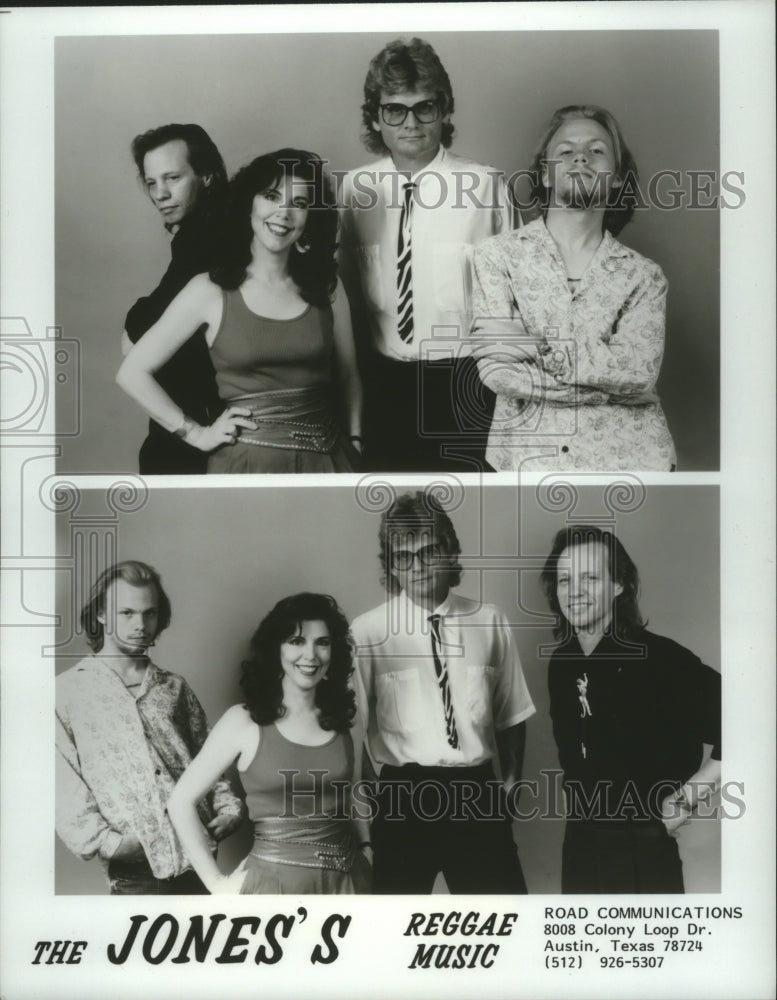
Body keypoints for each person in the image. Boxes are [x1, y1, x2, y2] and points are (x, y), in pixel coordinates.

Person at [118, 150, 362, 473]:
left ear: (310, 217)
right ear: (249, 203)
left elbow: (348, 375)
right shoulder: (208, 290)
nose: (283, 213)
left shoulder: (327, 287)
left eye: (300, 204)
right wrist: (195, 433)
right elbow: (131, 373)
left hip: (332, 460)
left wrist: (357, 442)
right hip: (246, 464)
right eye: (272, 196)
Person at [339, 37, 515, 472]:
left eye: (424, 107)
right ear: (376, 117)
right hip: (384, 384)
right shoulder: (355, 191)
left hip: (466, 383)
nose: (410, 123)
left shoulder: (486, 186)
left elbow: (517, 299)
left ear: (445, 109)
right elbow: (345, 298)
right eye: (394, 109)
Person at [471, 104, 677, 471]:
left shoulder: (645, 277)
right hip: (528, 460)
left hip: (631, 459)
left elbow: (640, 372)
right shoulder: (495, 257)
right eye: (565, 151)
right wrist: (612, 388)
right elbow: (500, 373)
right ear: (545, 175)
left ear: (616, 177)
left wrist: (534, 344)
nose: (580, 157)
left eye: (597, 150)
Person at [350, 491, 535, 893]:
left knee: (508, 929)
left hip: (477, 793)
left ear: (450, 553)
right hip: (403, 795)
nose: (417, 567)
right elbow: (351, 731)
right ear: (390, 565)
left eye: (429, 551)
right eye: (403, 556)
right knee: (393, 934)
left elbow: (513, 713)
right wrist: (375, 797)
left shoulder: (490, 621)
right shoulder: (366, 633)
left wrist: (511, 783)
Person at [540, 524, 721, 893]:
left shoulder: (660, 657)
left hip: (643, 845)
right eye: (564, 580)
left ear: (618, 585)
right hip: (579, 842)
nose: (574, 591)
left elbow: (753, 720)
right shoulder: (562, 662)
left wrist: (687, 800)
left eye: (590, 577)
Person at [55, 561, 242, 894]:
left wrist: (228, 810)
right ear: (100, 615)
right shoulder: (68, 693)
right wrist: (111, 844)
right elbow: (60, 779)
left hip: (198, 858)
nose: (140, 625)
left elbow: (208, 756)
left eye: (149, 613)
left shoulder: (174, 688)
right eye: (126, 613)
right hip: (134, 872)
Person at [167, 593, 372, 894]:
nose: (311, 655)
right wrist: (217, 885)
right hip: (273, 888)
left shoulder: (346, 718)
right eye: (296, 641)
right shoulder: (243, 721)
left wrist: (367, 848)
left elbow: (355, 789)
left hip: (349, 883)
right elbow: (179, 801)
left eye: (323, 642)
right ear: (276, 648)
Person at [124, 123, 228, 475]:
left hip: (200, 434)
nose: (160, 193)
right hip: (188, 428)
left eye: (173, 178)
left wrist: (135, 322)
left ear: (208, 176)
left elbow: (143, 327)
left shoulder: (210, 241)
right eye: (152, 182)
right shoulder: (193, 238)